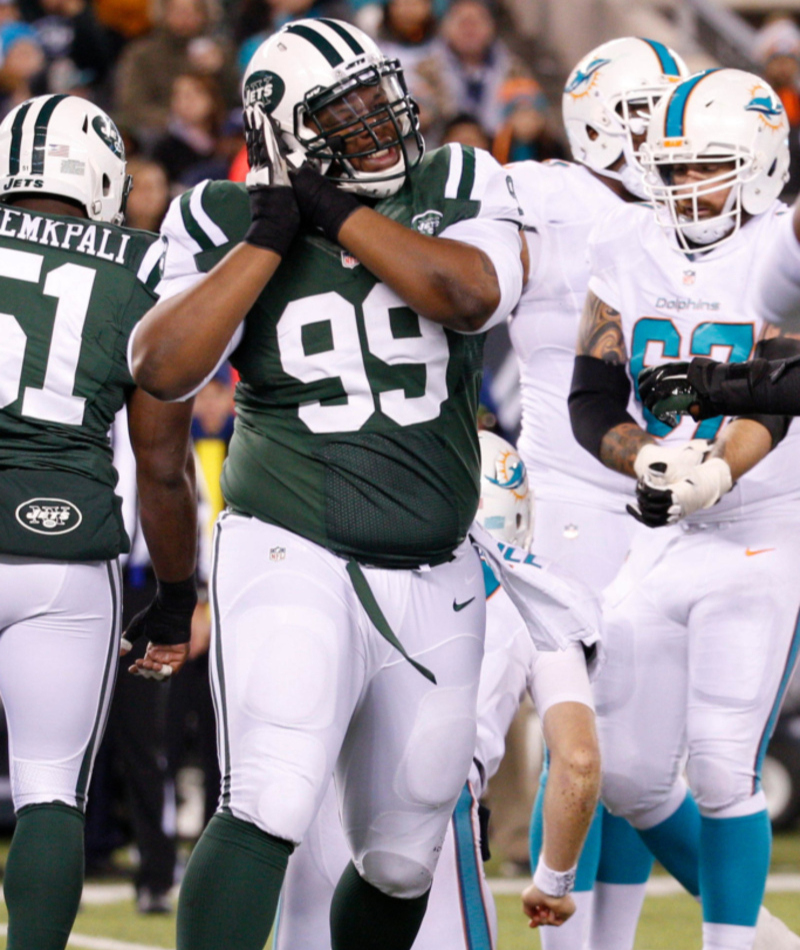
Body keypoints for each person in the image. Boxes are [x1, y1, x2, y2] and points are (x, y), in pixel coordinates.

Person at [130, 18, 526, 950]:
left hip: (434, 559)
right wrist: (270, 236)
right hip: (288, 536)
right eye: (348, 113)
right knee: (269, 790)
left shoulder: (460, 180)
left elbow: (468, 294)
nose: (383, 125)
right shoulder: (217, 217)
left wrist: (333, 209)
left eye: (381, 97)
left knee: (401, 855)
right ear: (288, 132)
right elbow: (161, 366)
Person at [570, 68, 800, 950]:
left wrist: (719, 468)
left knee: (718, 765)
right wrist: (648, 456)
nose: (686, 188)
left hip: (762, 530)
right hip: (664, 530)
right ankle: (766, 934)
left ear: (762, 161)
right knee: (624, 772)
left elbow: (779, 391)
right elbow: (591, 395)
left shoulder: (783, 245)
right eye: (673, 172)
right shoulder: (626, 245)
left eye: (708, 167)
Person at [273, 430, 602, 949]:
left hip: (314, 809)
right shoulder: (540, 597)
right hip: (427, 820)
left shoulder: (344, 557)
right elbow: (578, 761)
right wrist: (554, 882)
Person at [0, 94, 198, 949]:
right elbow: (160, 465)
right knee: (48, 789)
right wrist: (177, 592)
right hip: (62, 544)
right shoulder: (145, 264)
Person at [506, 36, 689, 950]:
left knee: (638, 764)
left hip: (669, 509)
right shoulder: (542, 194)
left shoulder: (690, 213)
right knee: (583, 754)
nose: (672, 135)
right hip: (569, 508)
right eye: (652, 113)